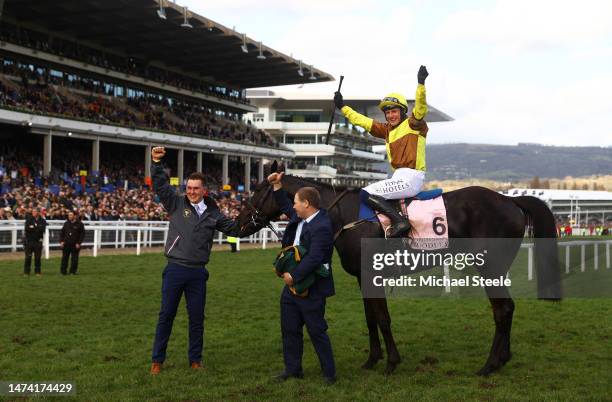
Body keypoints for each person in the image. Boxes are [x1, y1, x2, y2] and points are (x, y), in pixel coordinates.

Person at [149, 146, 241, 375]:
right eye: (188, 188)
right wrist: (157, 163)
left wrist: (257, 218)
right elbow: (160, 185)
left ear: (204, 190)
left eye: (195, 188)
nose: (191, 191)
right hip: (175, 269)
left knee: (197, 319)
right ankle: (157, 360)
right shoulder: (176, 203)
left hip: (198, 273)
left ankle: (195, 360)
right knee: (166, 316)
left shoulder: (213, 213)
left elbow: (235, 228)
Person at [334, 65, 430, 237]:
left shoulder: (413, 124)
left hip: (412, 177)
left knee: (366, 193)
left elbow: (421, 107)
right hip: (398, 176)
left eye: (394, 111)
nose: (391, 115)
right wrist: (343, 107)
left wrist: (420, 84)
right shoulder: (386, 130)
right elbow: (362, 121)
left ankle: (400, 222)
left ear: (402, 112)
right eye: (388, 113)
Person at [267, 171, 336, 384]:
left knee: (316, 331)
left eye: (296, 202)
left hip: (311, 286)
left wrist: (293, 276)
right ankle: (293, 369)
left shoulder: (323, 226)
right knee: (289, 329)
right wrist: (277, 186)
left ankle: (329, 374)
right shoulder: (302, 217)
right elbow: (285, 206)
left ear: (306, 203)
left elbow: (315, 257)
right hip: (292, 287)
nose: (293, 206)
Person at [59, 210, 85, 275]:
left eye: (71, 215)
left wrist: (79, 243)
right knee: (64, 258)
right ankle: (63, 272)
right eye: (69, 215)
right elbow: (62, 233)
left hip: (75, 244)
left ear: (75, 216)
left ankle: (73, 272)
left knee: (74, 259)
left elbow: (82, 235)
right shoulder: (66, 223)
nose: (69, 216)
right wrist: (61, 241)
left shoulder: (80, 224)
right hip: (66, 244)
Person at [23, 207, 46, 276]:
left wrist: (33, 227)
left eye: (35, 211)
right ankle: (26, 272)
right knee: (28, 257)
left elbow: (42, 230)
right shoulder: (29, 220)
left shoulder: (42, 220)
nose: (33, 212)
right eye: (33, 211)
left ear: (38, 212)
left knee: (38, 258)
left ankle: (37, 272)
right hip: (29, 242)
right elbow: (27, 229)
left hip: (38, 242)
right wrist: (37, 228)